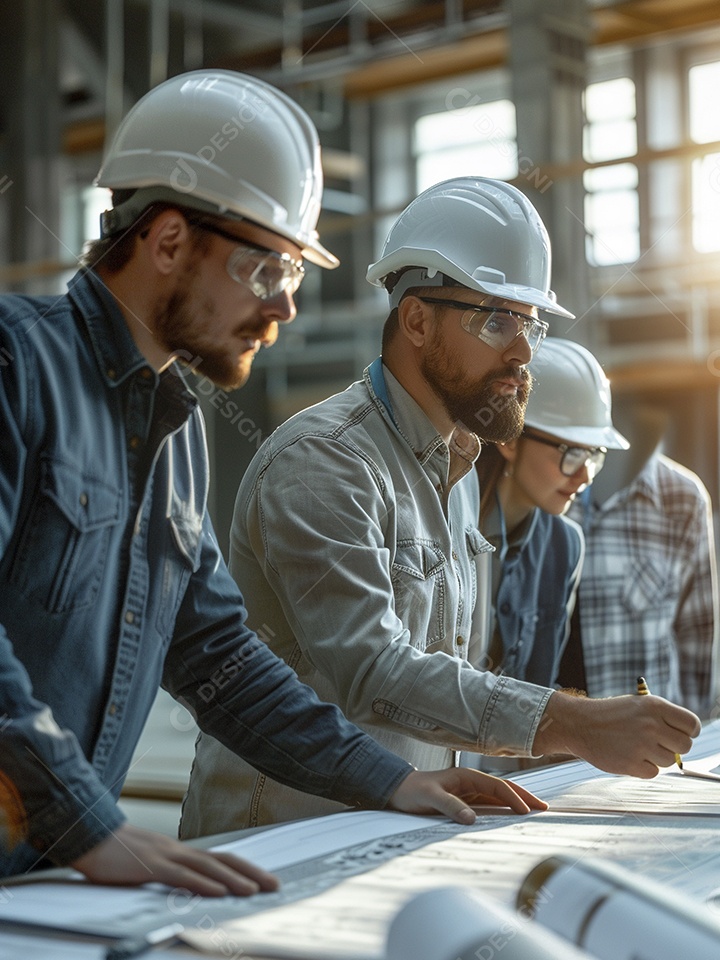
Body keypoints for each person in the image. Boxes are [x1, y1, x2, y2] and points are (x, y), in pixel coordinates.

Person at [0, 73, 550, 894]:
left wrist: (391, 780)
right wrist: (85, 822)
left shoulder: (178, 436)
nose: (287, 305)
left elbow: (220, 656)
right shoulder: (17, 365)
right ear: (170, 241)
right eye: (268, 269)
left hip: (43, 890)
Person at [180, 176, 699, 839]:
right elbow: (372, 669)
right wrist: (572, 723)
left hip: (388, 828)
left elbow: (442, 670)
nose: (521, 351)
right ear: (417, 319)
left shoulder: (453, 472)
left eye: (530, 324)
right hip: (276, 843)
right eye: (497, 320)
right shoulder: (323, 461)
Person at [476, 337, 628, 686]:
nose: (585, 474)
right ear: (510, 439)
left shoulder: (565, 547)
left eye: (594, 455)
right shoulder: (447, 527)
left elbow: (539, 691)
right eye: (571, 452)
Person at [559, 401, 718, 718]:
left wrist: (688, 736)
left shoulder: (682, 498)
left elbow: (697, 635)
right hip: (552, 753)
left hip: (650, 750)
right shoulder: (545, 490)